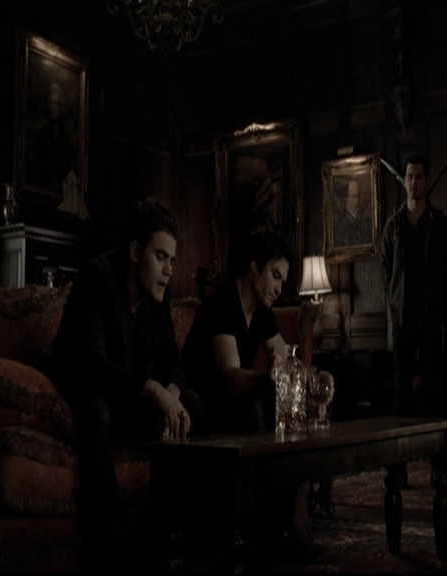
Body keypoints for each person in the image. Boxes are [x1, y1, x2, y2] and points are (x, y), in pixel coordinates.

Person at [48, 197, 203, 568]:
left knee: (193, 404)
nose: (169, 270)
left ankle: (187, 532)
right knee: (98, 409)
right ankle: (106, 548)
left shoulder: (158, 296)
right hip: (86, 389)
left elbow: (175, 364)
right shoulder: (96, 278)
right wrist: (152, 389)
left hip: (126, 396)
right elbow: (92, 365)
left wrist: (172, 394)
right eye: (161, 257)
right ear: (135, 251)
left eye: (172, 260)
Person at [181, 226, 334, 557]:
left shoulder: (263, 313)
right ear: (254, 265)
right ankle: (254, 534)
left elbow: (288, 362)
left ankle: (280, 530)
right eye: (275, 276)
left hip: (232, 405)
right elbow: (229, 377)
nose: (280, 287)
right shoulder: (222, 302)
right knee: (257, 405)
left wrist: (314, 380)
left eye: (283, 279)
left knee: (286, 413)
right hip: (201, 406)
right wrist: (271, 379)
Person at [380, 152, 447, 484]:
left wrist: (444, 314)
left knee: (433, 392)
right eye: (410, 177)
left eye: (419, 177)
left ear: (427, 181)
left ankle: (438, 470)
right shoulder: (394, 224)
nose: (414, 182)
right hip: (403, 319)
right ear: (405, 181)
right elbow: (385, 269)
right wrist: (394, 303)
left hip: (431, 319)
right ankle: (397, 470)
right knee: (402, 392)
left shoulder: (439, 223)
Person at [28, 82, 77, 194]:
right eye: (51, 102)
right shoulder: (42, 133)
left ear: (60, 106)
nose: (52, 107)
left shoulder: (65, 138)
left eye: (55, 103)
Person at [335, 178, 372, 246]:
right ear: (346, 199)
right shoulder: (340, 225)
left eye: (358, 196)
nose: (357, 201)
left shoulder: (366, 221)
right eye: (353, 197)